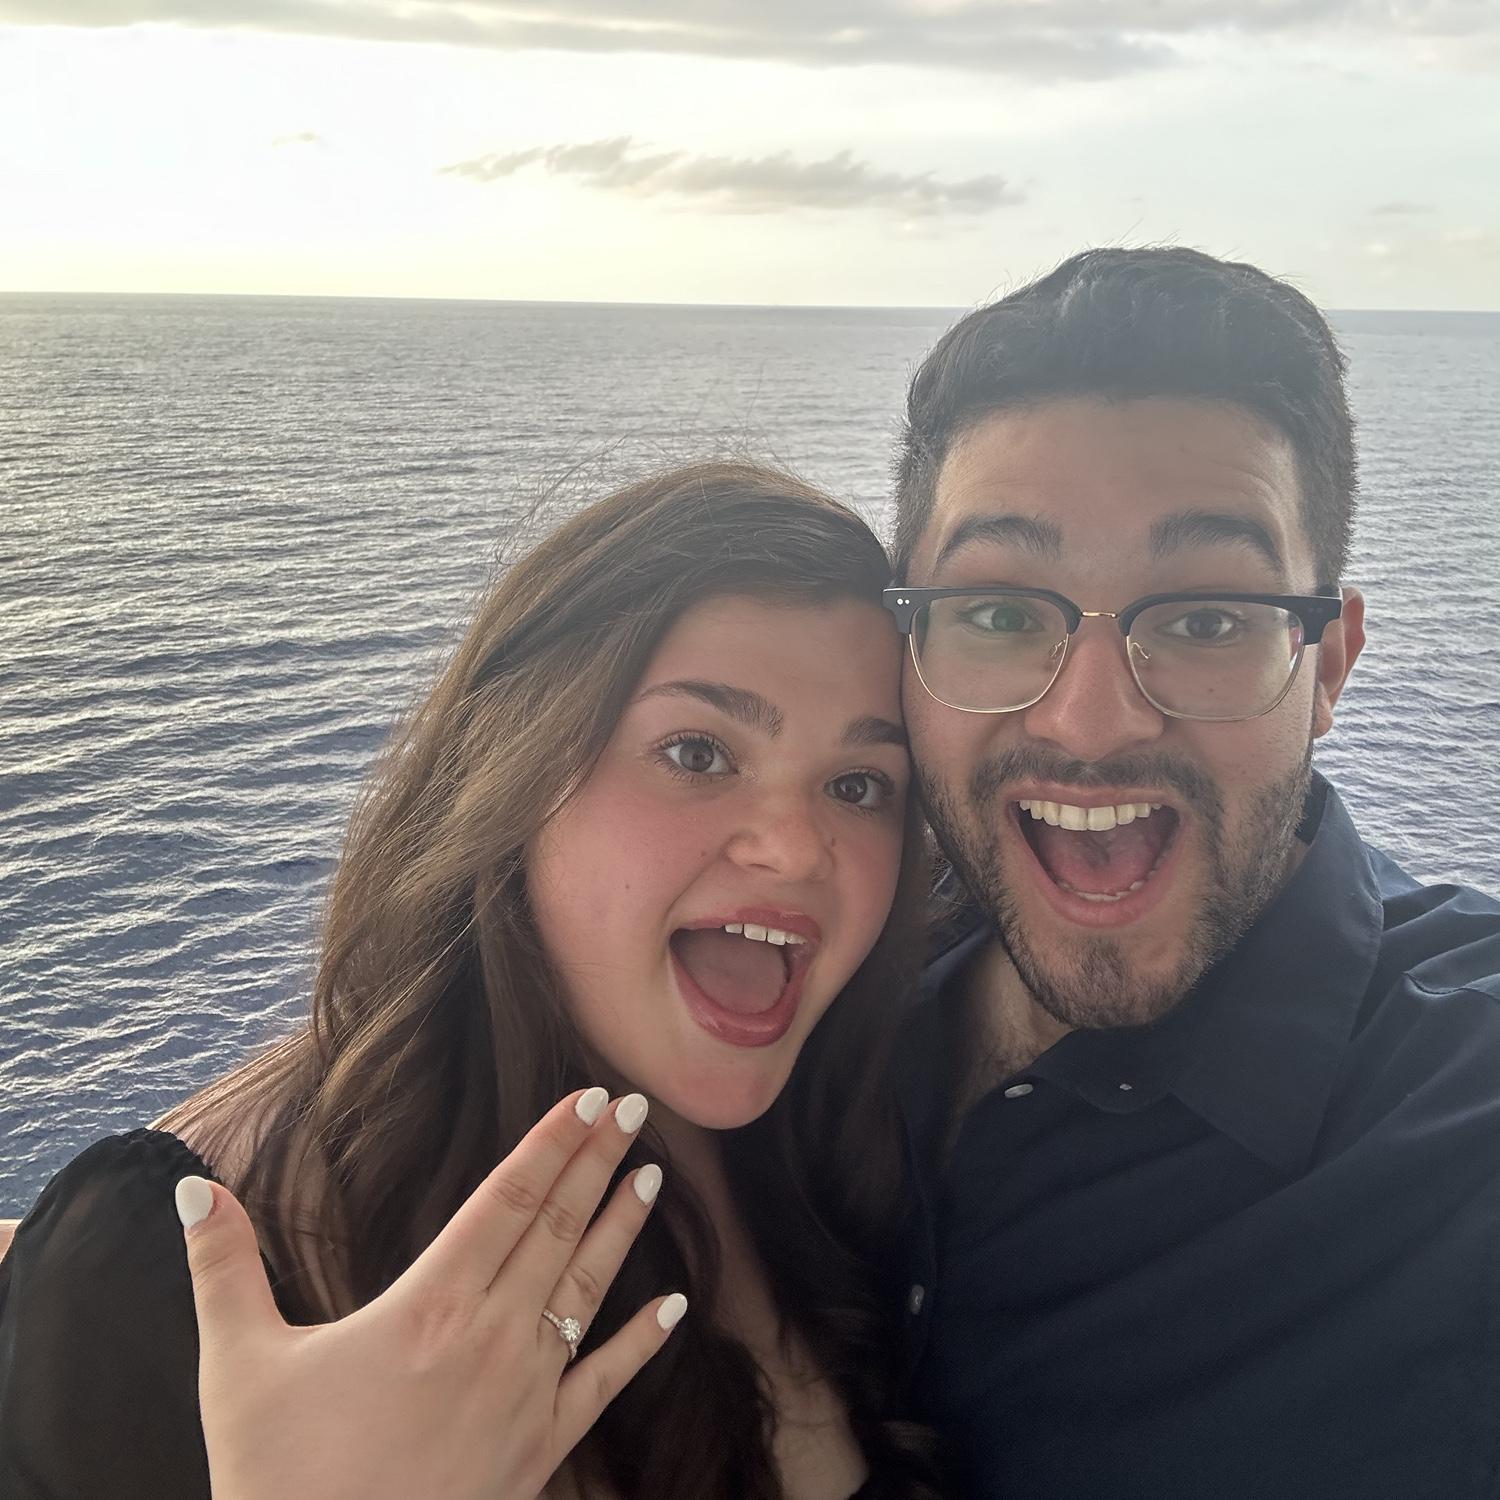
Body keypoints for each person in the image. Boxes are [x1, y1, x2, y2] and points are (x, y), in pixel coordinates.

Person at [0, 462, 946, 1499]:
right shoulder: (194, 1264)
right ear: (514, 770)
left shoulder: (870, 1137)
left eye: (860, 784)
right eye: (696, 752)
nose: (797, 848)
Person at [882, 246, 1500, 1498]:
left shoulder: (1462, 1128)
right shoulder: (825, 971)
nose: (1090, 722)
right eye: (1001, 613)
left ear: (1327, 667)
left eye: (1208, 619)